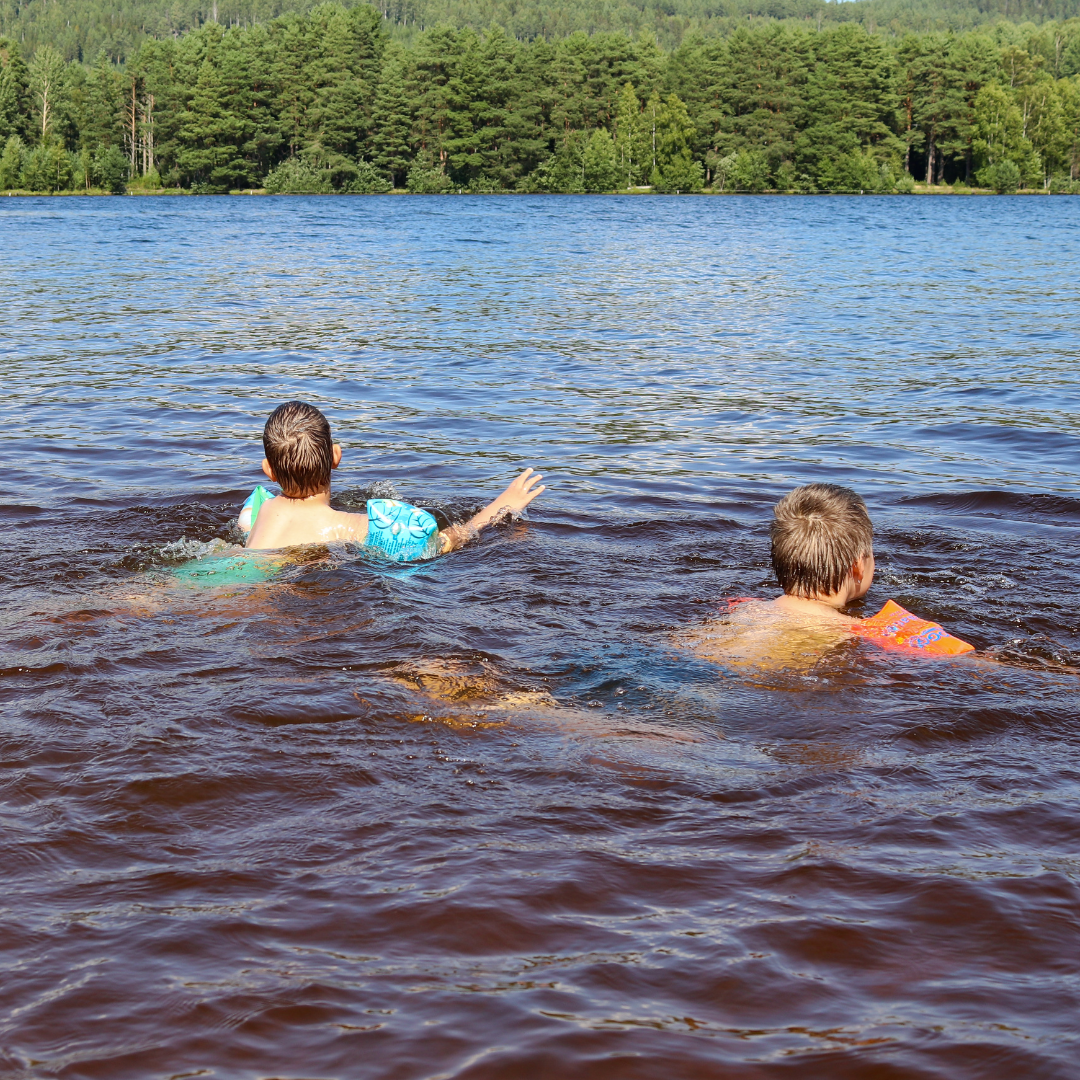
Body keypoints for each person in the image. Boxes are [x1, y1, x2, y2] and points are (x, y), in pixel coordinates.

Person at [243, 400, 545, 553]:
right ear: (336, 456)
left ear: (268, 470)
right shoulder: (351, 528)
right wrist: (504, 505)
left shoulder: (261, 513)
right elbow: (445, 541)